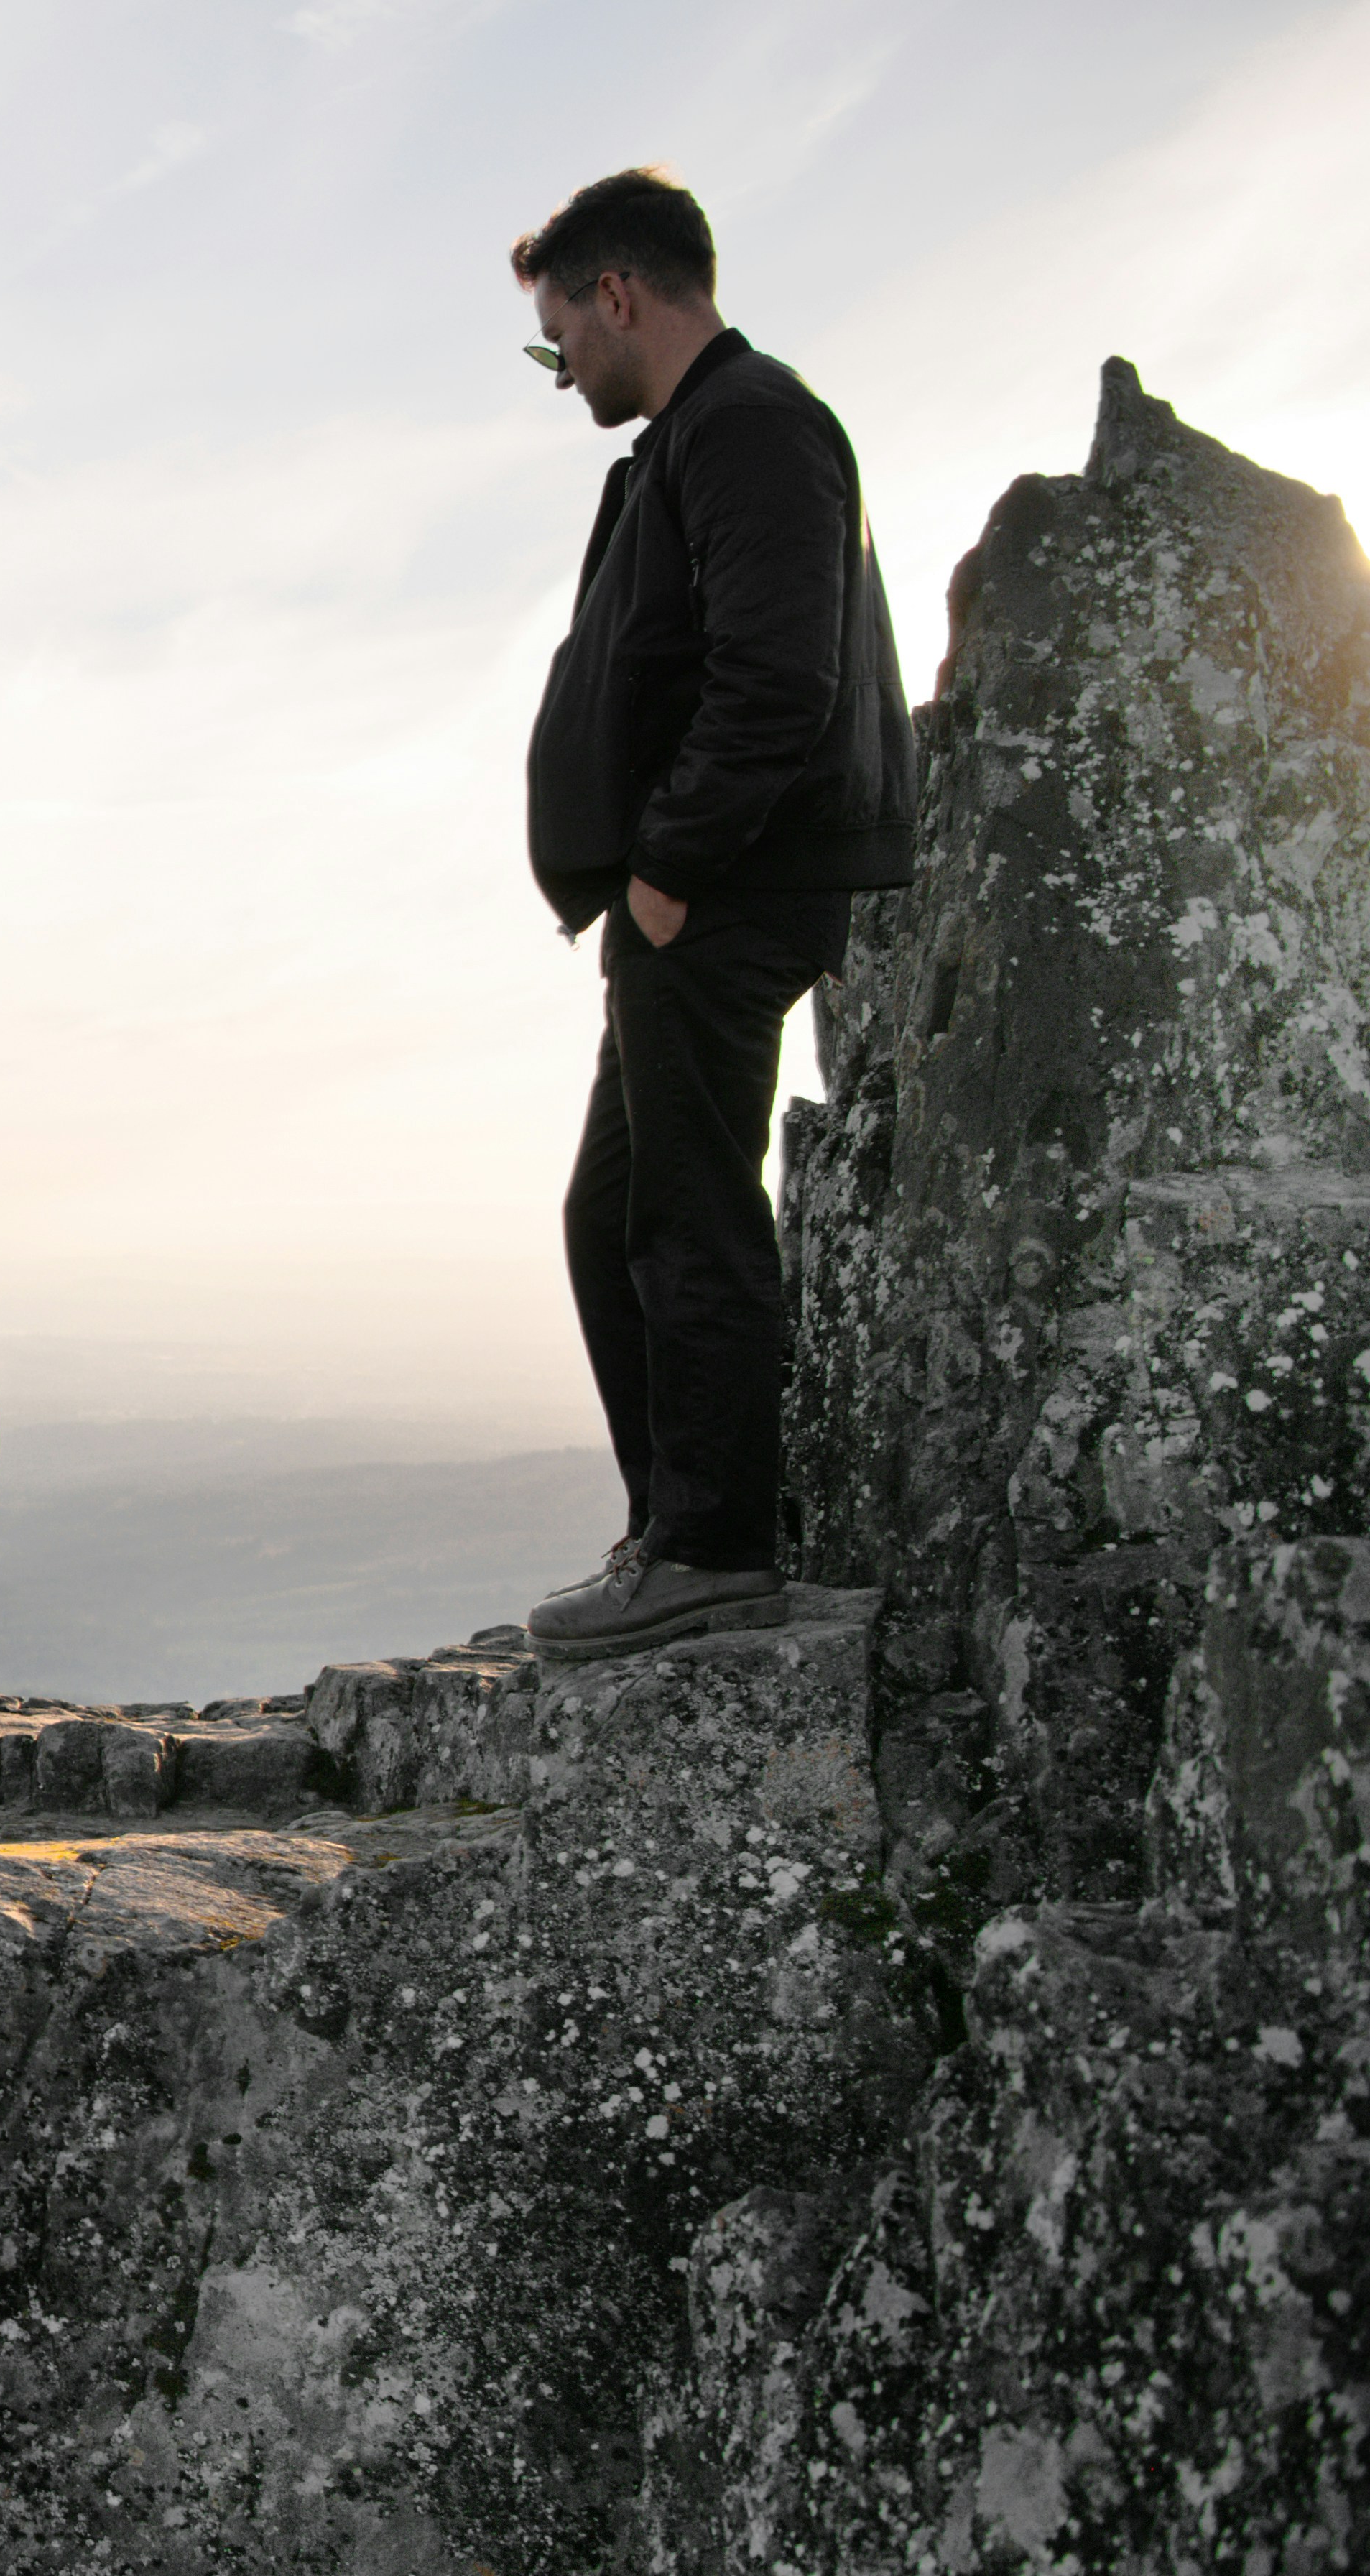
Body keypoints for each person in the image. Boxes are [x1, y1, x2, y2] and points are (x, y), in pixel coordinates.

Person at [509, 167, 915, 1665]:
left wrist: (669, 868)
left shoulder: (748, 424)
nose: (561, 370)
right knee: (618, 1210)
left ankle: (715, 1549)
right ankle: (675, 1530)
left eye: (559, 337)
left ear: (616, 294)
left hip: (725, 889)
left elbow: (777, 672)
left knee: (687, 1208)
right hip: (695, 894)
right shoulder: (699, 437)